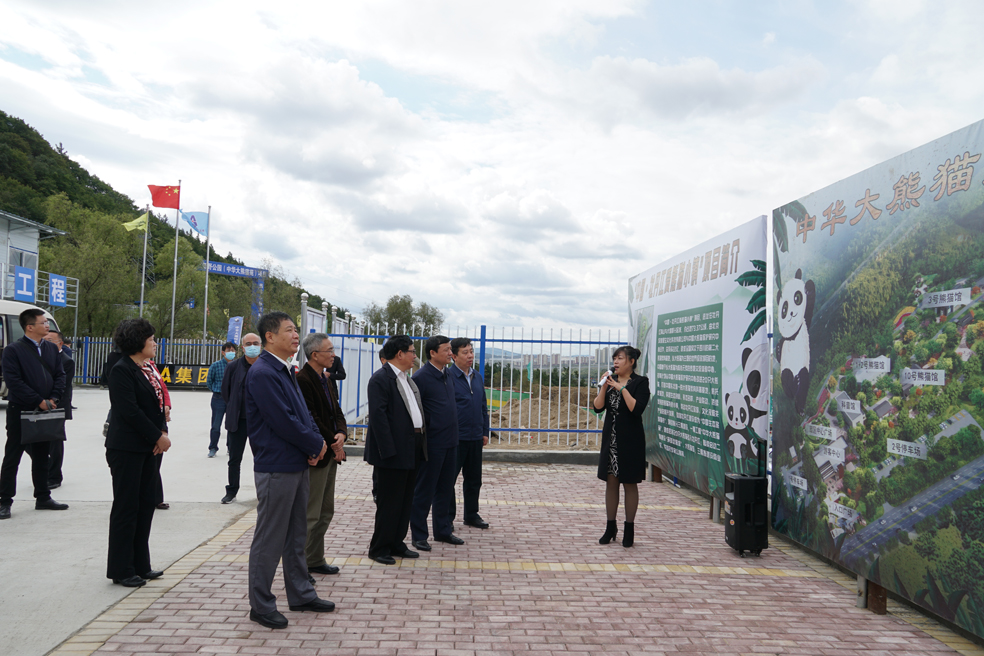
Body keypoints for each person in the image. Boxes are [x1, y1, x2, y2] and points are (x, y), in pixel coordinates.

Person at [245, 312, 333, 629]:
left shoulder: (285, 369)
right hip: (276, 466)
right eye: (289, 330)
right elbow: (283, 420)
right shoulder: (263, 373)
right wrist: (314, 443)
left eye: (296, 330)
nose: (296, 335)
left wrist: (316, 442)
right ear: (270, 337)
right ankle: (261, 605)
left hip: (296, 462)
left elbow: (303, 414)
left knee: (297, 535)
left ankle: (301, 594)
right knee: (270, 538)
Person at [105, 318, 170, 587]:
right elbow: (129, 411)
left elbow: (158, 404)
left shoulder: (148, 369)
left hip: (149, 447)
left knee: (145, 506)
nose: (155, 343)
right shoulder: (121, 370)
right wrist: (157, 436)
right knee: (126, 508)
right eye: (151, 339)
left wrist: (161, 432)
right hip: (126, 448)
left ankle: (141, 565)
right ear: (137, 341)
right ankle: (121, 569)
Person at [0, 309, 68, 520]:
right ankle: (4, 501)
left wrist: (54, 398)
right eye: (43, 322)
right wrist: (38, 400)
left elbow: (60, 375)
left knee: (41, 456)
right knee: (13, 457)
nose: (47, 325)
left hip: (46, 409)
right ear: (30, 327)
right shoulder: (13, 350)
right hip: (21, 410)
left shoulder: (50, 348)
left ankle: (43, 497)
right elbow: (13, 381)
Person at [364, 335, 426, 565]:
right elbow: (379, 419)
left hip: (411, 447)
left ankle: (397, 542)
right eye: (412, 351)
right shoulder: (381, 379)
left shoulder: (406, 379)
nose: (415, 356)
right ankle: (379, 547)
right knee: (389, 502)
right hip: (392, 452)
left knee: (405, 500)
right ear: (399, 354)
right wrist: (389, 452)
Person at [296, 333, 347, 579]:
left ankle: (315, 559)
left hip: (331, 450)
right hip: (319, 453)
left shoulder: (325, 378)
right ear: (315, 355)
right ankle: (300, 566)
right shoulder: (303, 380)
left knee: (326, 511)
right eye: (329, 351)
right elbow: (311, 418)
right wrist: (333, 442)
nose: (333, 355)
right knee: (311, 513)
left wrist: (342, 433)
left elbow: (337, 411)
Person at [591, 345, 651, 548]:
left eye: (621, 358)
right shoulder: (610, 382)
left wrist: (621, 389)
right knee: (611, 482)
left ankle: (629, 528)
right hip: (611, 440)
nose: (616, 362)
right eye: (615, 358)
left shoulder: (640, 383)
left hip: (631, 441)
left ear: (631, 362)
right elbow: (598, 407)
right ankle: (610, 527)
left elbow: (636, 409)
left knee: (630, 483)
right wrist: (604, 386)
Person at [409, 335, 462, 552]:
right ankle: (419, 535)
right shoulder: (421, 377)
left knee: (445, 489)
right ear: (432, 353)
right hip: (432, 443)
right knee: (424, 490)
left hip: (451, 441)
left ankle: (443, 530)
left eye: (451, 349)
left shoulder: (447, 374)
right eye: (446, 349)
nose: (451, 353)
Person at [448, 337, 491, 530]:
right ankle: (447, 518)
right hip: (456, 438)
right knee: (448, 480)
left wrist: (484, 431)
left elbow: (483, 406)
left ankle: (471, 515)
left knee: (474, 480)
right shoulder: (448, 377)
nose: (470, 356)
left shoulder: (477, 377)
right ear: (454, 356)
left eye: (471, 351)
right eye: (465, 352)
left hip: (475, 437)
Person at [219, 333, 261, 504]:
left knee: (262, 458)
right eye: (248, 344)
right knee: (234, 459)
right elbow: (226, 392)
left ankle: (263, 491)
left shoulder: (265, 366)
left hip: (260, 422)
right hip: (238, 421)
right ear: (243, 348)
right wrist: (234, 406)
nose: (252, 347)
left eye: (255, 343)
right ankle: (231, 491)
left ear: (261, 346)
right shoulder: (233, 367)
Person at [44, 330, 75, 490]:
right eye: (44, 340)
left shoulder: (66, 361)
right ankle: (46, 466)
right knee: (30, 439)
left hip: (58, 406)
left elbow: (61, 386)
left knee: (55, 442)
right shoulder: (39, 357)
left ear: (60, 344)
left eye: (50, 341)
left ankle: (54, 476)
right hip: (40, 404)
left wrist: (51, 401)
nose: (46, 343)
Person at [206, 342, 237, 457]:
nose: (231, 352)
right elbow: (209, 381)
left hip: (233, 399)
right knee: (216, 425)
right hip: (218, 398)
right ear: (223, 352)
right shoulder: (216, 365)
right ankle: (213, 448)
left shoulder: (237, 366)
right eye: (228, 350)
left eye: (233, 350)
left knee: (232, 425)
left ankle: (230, 447)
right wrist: (217, 390)